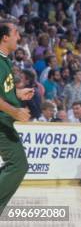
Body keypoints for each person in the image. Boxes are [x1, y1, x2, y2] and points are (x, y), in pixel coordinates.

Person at [0, 21, 35, 214]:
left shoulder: (5, 60)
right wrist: (15, 111)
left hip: (4, 121)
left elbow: (4, 91)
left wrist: (18, 94)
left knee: (16, 165)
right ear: (5, 37)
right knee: (18, 165)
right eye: (15, 33)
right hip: (1, 122)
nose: (19, 37)